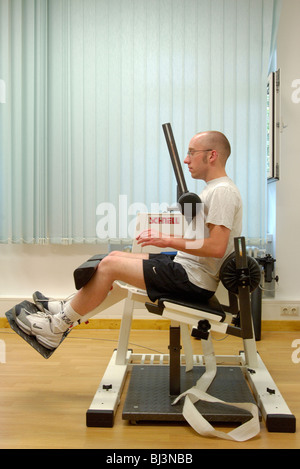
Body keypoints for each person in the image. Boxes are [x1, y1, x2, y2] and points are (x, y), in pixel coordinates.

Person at [14, 131, 243, 350]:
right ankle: (66, 306)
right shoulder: (212, 190)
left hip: (193, 280)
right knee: (113, 257)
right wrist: (168, 238)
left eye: (192, 152)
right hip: (186, 269)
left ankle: (56, 327)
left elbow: (216, 247)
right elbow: (200, 239)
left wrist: (166, 240)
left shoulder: (222, 192)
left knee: (110, 267)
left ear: (211, 155)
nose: (186, 159)